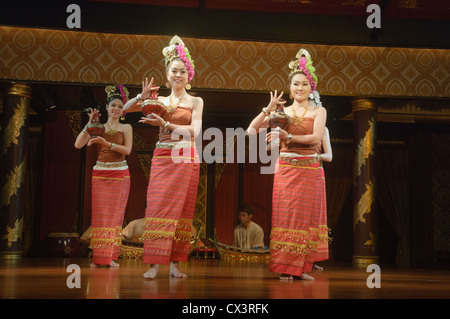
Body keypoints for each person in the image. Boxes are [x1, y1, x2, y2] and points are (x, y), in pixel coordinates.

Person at [123, 35, 203, 279]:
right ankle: (154, 264)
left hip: (185, 154)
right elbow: (125, 110)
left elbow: (195, 131)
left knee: (182, 211)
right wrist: (141, 96)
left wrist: (165, 123)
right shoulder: (159, 100)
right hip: (162, 156)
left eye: (182, 71)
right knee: (157, 208)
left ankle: (175, 264)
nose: (177, 75)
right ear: (167, 75)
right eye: (173, 71)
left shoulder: (195, 100)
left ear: (188, 75)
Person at [247, 49, 327, 280]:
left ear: (311, 87)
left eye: (304, 84)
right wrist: (268, 109)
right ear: (290, 87)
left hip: (309, 169)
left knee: (304, 219)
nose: (299, 88)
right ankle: (286, 268)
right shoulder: (282, 111)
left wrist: (288, 136)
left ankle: (300, 268)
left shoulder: (319, 111)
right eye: (295, 84)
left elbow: (315, 138)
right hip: (287, 169)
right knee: (285, 217)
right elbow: (251, 130)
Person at [74, 84, 132, 268]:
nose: (116, 109)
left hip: (120, 173)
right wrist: (89, 124)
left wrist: (107, 143)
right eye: (113, 105)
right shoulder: (98, 126)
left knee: (115, 217)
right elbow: (78, 145)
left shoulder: (126, 127)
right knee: (100, 216)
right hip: (100, 173)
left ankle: (111, 257)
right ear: (106, 107)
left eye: (120, 107)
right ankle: (99, 257)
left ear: (123, 111)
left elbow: (128, 150)